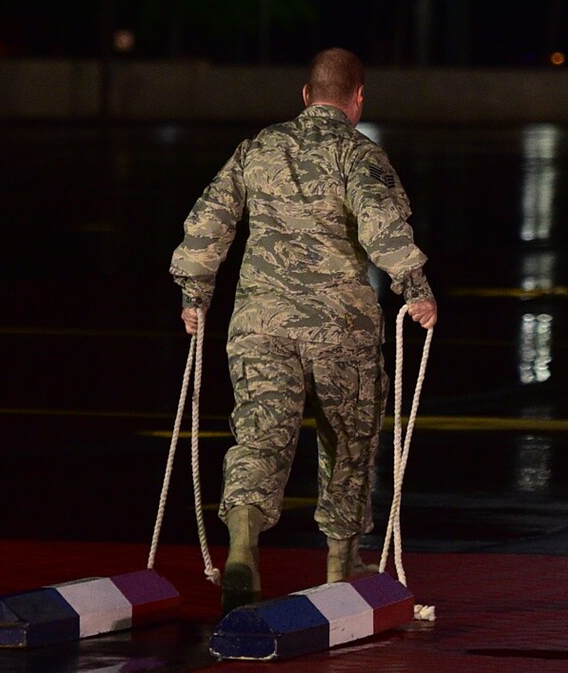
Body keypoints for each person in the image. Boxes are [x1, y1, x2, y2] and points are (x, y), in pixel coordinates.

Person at [170, 47, 437, 609]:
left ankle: (242, 548)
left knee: (261, 435)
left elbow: (209, 217)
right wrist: (416, 290)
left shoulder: (257, 147)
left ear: (305, 95)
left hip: (260, 324)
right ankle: (342, 565)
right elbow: (381, 223)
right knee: (349, 440)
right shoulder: (360, 154)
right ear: (358, 97)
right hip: (340, 327)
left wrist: (194, 294)